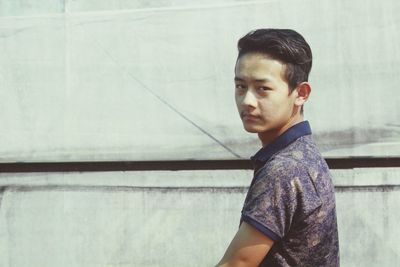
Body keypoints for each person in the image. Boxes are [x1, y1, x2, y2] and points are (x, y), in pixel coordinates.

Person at [216, 29, 339, 266]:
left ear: (301, 93)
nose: (247, 101)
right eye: (240, 86)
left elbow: (237, 263)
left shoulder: (285, 169)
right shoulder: (303, 154)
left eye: (263, 88)